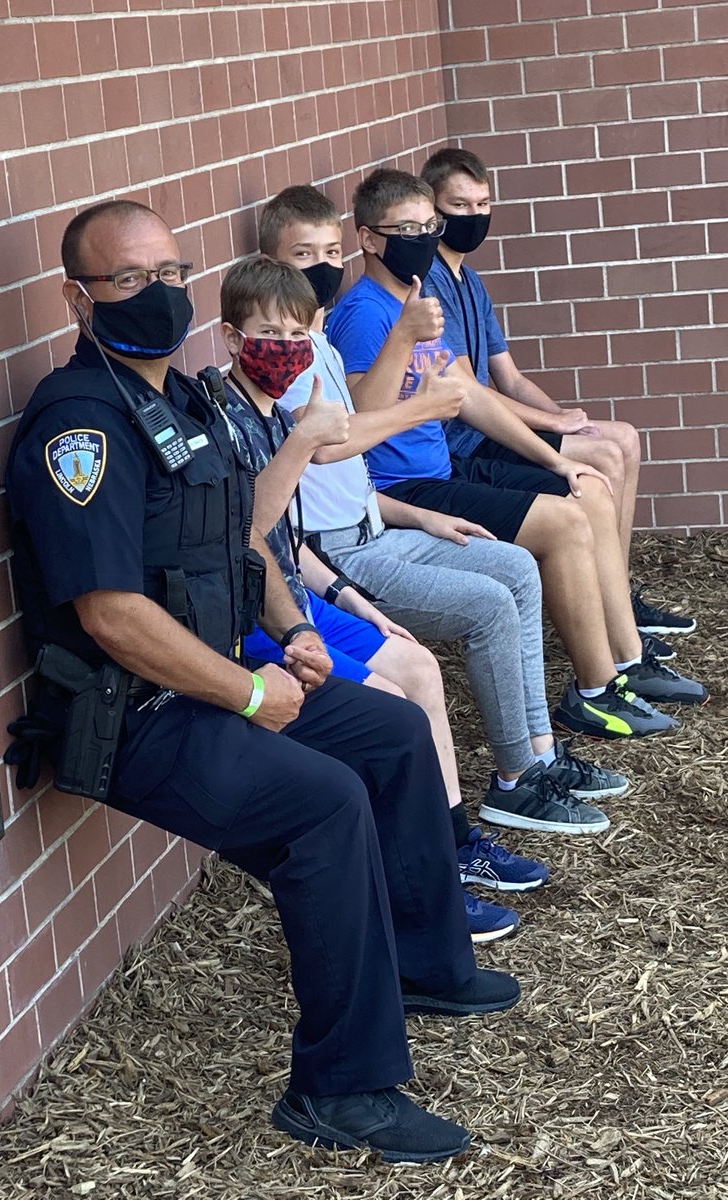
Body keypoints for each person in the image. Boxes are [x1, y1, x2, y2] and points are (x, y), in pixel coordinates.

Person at [4, 198, 521, 1165]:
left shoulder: (187, 405)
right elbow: (111, 615)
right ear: (78, 298)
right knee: (324, 807)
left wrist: (290, 634)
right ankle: (340, 1088)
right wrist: (247, 695)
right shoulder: (81, 427)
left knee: (389, 734)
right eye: (128, 282)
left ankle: (422, 964)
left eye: (169, 274)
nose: (158, 295)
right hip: (133, 714)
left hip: (224, 670)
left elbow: (241, 542)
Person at [257, 185, 631, 836]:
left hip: (380, 522)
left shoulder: (319, 339)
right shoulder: (289, 352)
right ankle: (516, 779)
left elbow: (349, 472)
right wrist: (416, 398)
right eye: (301, 254)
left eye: (327, 251)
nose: (319, 265)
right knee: (490, 602)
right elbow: (332, 443)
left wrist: (418, 516)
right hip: (338, 552)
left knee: (515, 568)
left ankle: (536, 758)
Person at [218, 251, 554, 944]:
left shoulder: (281, 412)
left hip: (307, 599)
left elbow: (291, 543)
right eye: (267, 336)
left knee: (419, 667)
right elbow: (250, 529)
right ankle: (417, 891)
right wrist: (312, 439)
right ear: (230, 338)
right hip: (252, 625)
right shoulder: (224, 419)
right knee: (391, 711)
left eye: (296, 337)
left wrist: (353, 599)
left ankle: (452, 851)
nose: (283, 351)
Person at [325, 169, 708, 736]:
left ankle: (620, 665)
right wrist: (405, 336)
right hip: (400, 489)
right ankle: (597, 692)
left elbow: (469, 397)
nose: (425, 237)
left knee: (582, 486)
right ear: (368, 239)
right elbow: (361, 420)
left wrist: (557, 457)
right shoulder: (366, 313)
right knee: (565, 522)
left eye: (430, 226)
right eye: (408, 228)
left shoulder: (418, 296)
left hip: (436, 472)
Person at [418, 147, 696, 654]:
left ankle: (617, 599)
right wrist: (551, 423)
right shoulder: (430, 282)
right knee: (605, 457)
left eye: (483, 204)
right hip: (466, 444)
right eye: (460, 206)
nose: (475, 217)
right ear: (432, 212)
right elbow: (470, 393)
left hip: (490, 427)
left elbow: (511, 377)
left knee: (622, 438)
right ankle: (610, 618)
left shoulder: (470, 280)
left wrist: (566, 422)